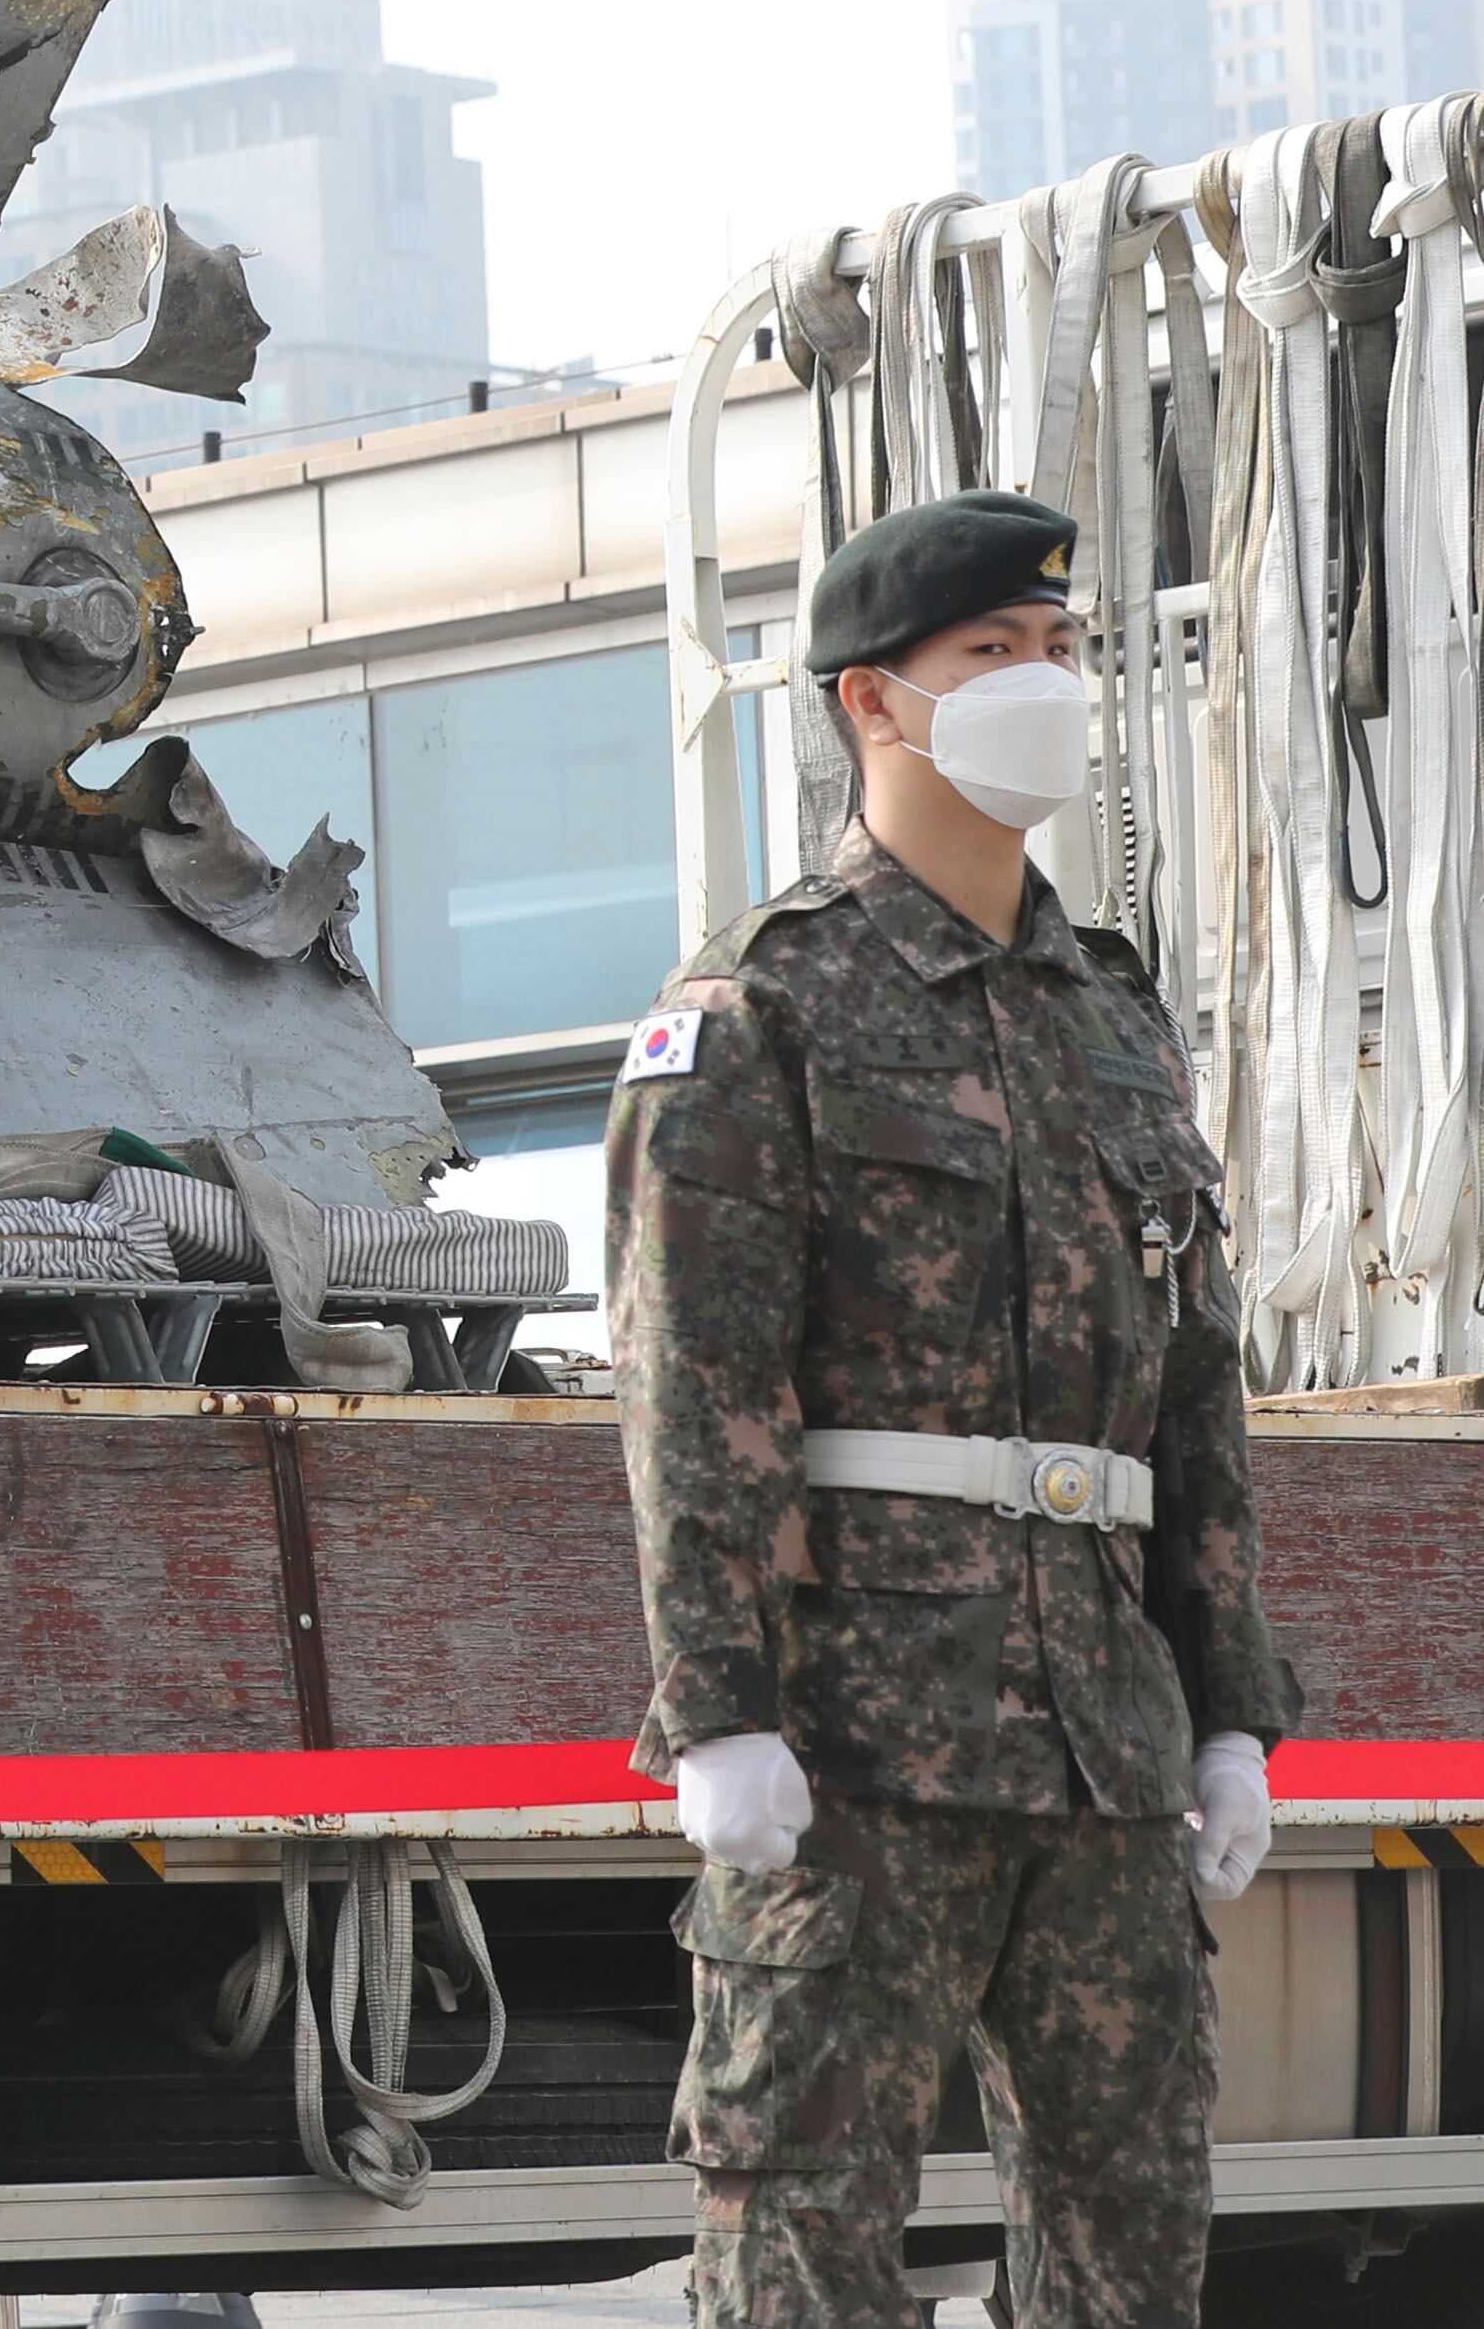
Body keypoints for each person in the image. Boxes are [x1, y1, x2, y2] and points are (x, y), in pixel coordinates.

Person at [608, 486, 1299, 2327]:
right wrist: (716, 1711)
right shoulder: (764, 1004)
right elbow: (692, 1385)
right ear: (869, 703)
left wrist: (1227, 1708)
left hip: (1100, 1745)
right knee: (803, 2232)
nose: (1043, 685)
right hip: (858, 1740)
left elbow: (1194, 1394)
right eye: (989, 653)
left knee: (1133, 2236)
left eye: (1060, 650)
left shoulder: (1112, 1015)